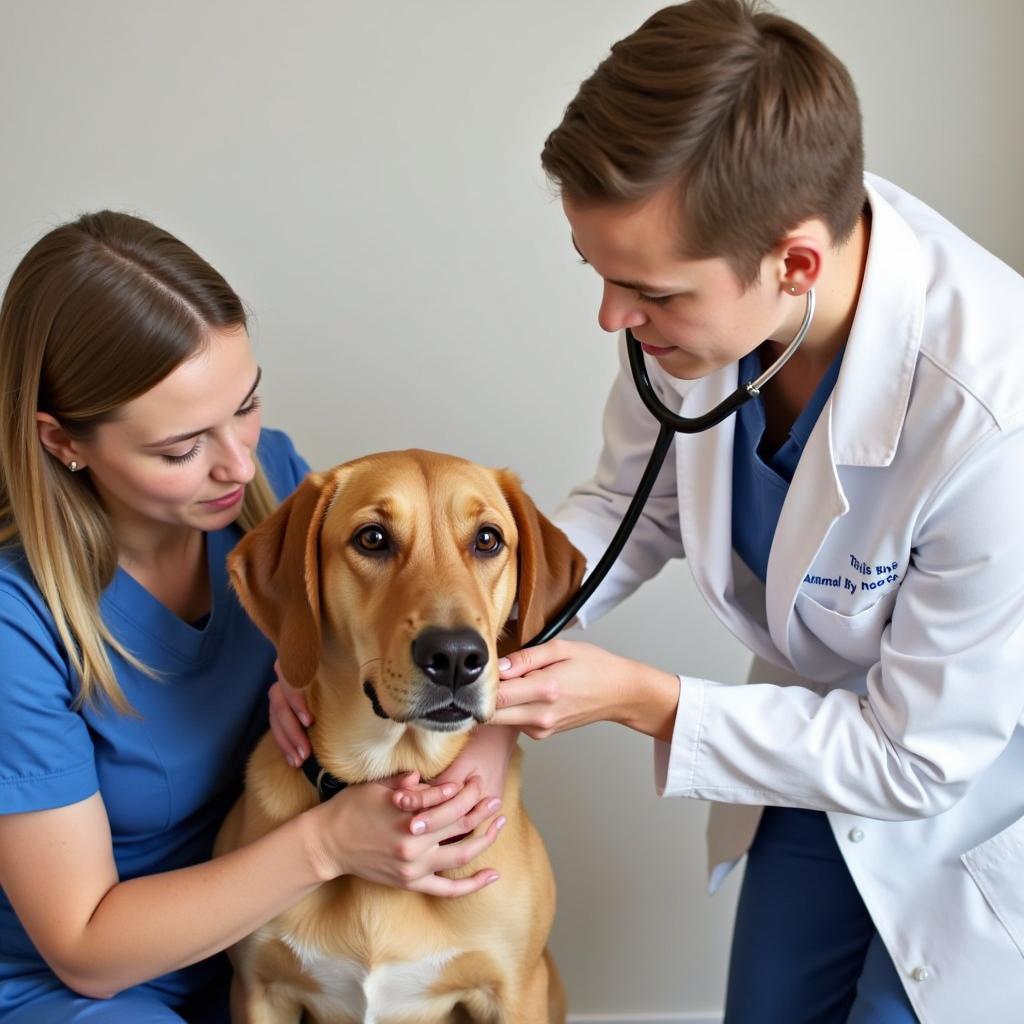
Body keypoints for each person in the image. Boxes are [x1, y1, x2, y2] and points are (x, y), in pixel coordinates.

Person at [276, 1, 1024, 1022]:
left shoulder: (992, 415)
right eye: (599, 274)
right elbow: (631, 509)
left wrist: (645, 699)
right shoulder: (711, 302)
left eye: (650, 293)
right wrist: (487, 669)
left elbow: (914, 753)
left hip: (972, 784)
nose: (612, 320)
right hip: (808, 736)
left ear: (793, 263)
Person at [0, 211, 505, 1024]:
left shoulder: (271, 489)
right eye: (180, 448)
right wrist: (329, 842)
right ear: (63, 442)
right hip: (97, 984)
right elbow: (86, 951)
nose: (236, 461)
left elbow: (397, 633)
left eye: (247, 404)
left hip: (263, 944)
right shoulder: (14, 624)